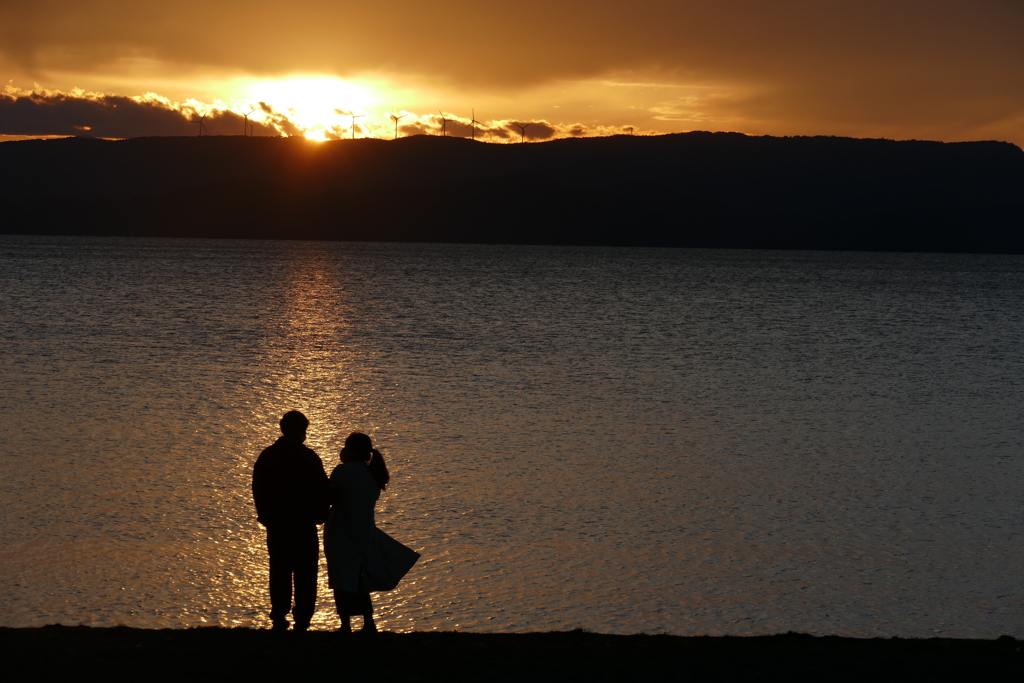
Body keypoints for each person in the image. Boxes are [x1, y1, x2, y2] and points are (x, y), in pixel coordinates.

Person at [324, 432, 420, 634]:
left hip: (342, 530)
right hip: (364, 530)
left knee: (342, 578)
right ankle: (368, 622)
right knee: (360, 579)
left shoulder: (343, 471)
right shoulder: (372, 474)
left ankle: (346, 625)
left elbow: (328, 497)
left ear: (350, 450)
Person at [252, 410, 330, 631]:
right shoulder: (308, 457)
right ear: (299, 431)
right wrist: (321, 514)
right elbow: (322, 489)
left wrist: (264, 515)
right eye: (304, 431)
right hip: (303, 524)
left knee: (279, 569)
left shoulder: (267, 455)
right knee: (306, 573)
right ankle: (303, 618)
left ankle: (279, 615)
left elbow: (258, 488)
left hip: (277, 524)